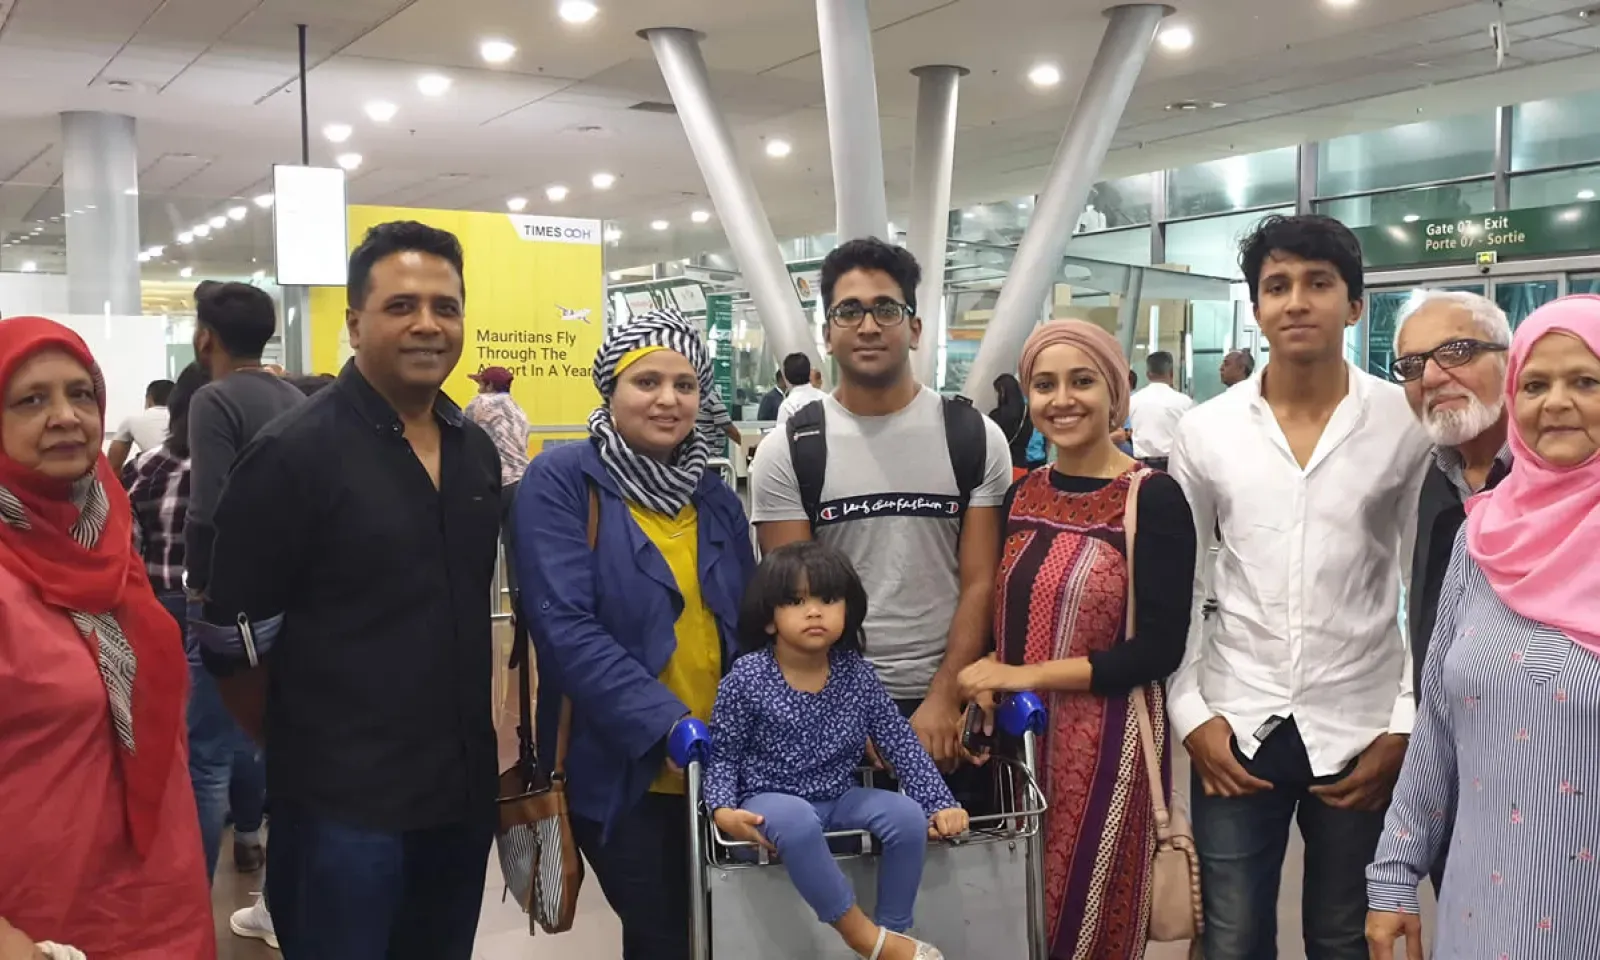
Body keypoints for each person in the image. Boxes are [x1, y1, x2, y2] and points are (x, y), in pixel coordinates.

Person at [197, 221, 503, 959]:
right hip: (343, 811)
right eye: (401, 306)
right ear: (355, 322)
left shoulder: (474, 451)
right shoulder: (292, 455)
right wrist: (312, 748)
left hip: (459, 800)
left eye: (445, 306)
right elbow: (232, 651)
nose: (428, 324)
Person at [1166, 214, 1431, 960]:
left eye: (1318, 283)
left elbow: (1425, 585)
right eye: (1276, 286)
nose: (1296, 301)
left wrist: (1405, 722)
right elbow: (1184, 583)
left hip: (1361, 721)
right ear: (1256, 308)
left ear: (1354, 305)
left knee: (1347, 939)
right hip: (1236, 718)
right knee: (1232, 940)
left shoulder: (1404, 423)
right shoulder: (1206, 431)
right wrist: (1191, 714)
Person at [515, 308, 755, 960]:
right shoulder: (562, 481)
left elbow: (751, 623)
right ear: (611, 390)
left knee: (730, 933)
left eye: (685, 384)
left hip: (723, 771)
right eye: (647, 382)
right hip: (624, 771)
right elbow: (564, 625)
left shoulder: (712, 495)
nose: (668, 399)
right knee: (667, 936)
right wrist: (663, 723)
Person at [1366, 294, 1600, 960]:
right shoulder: (1483, 539)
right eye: (1536, 385)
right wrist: (1393, 877)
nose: (1556, 403)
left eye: (1586, 381)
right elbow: (1438, 723)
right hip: (1484, 907)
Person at [957, 320, 1195, 959]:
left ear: (1115, 393)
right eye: (1045, 385)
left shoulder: (1151, 498)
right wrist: (990, 672)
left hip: (1108, 749)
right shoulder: (1022, 493)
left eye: (1082, 381)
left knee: (1085, 925)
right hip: (1020, 748)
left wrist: (1022, 675)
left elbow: (1159, 650)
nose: (1062, 399)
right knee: (1014, 921)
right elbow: (1005, 615)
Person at [749, 237, 1012, 800]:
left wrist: (945, 695)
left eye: (886, 309)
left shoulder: (973, 437)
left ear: (914, 328)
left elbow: (981, 581)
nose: (868, 326)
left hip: (949, 706)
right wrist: (855, 709)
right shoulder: (789, 449)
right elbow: (793, 599)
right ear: (827, 333)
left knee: (960, 854)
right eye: (849, 311)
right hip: (823, 704)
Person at [0, 316, 213, 959]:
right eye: (30, 400)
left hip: (158, 898)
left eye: (80, 394)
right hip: (37, 920)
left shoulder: (106, 533)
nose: (66, 416)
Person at [709, 542, 966, 960]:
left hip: (839, 796)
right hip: (768, 802)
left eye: (828, 599)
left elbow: (900, 742)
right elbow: (723, 754)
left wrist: (939, 803)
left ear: (848, 611)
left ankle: (893, 933)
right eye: (796, 601)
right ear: (769, 619)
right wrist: (722, 811)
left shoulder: (858, 675)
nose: (814, 611)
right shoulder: (747, 678)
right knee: (797, 820)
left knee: (906, 816)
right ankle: (866, 939)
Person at [183, 281, 302, 883]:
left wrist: (200, 586)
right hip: (297, 595)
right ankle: (272, 875)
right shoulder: (295, 396)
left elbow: (208, 507)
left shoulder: (213, 399)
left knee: (207, 755)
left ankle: (194, 903)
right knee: (270, 737)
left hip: (233, 601)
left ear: (206, 339)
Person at [463, 364, 532, 508]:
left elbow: (461, 436)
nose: (478, 389)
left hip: (496, 482)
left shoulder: (481, 402)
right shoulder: (518, 410)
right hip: (523, 483)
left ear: (489, 385)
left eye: (480, 384)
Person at [1127, 351, 1193, 471]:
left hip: (1141, 466)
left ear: (1148, 374)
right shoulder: (1185, 402)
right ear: (1171, 373)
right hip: (1173, 465)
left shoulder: (1133, 401)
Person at [108, 377, 175, 472]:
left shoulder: (132, 420)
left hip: (156, 473)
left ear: (149, 399)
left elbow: (113, 466)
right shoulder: (188, 418)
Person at [986, 372, 1036, 473]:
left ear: (1002, 392)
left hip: (1000, 468)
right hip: (1020, 467)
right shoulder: (1028, 413)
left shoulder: (997, 415)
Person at [774, 352, 827, 429]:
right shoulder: (826, 399)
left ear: (786, 376)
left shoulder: (787, 406)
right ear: (809, 372)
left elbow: (782, 434)